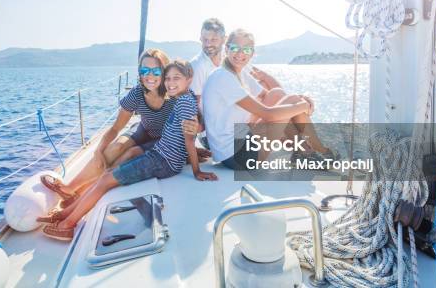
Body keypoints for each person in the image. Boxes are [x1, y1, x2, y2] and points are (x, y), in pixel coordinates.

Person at [42, 60, 218, 240]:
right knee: (108, 174)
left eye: (176, 78)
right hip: (159, 154)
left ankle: (68, 225)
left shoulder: (185, 103)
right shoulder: (183, 97)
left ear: (189, 79)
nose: (170, 83)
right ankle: (67, 213)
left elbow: (189, 139)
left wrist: (197, 171)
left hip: (163, 162)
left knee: (106, 181)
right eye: (167, 78)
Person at [38, 49, 201, 206]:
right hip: (143, 131)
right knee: (117, 147)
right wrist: (98, 150)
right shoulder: (137, 94)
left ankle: (89, 190)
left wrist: (195, 132)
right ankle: (70, 188)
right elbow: (116, 128)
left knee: (130, 155)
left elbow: (199, 122)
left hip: (163, 141)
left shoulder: (175, 91)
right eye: (145, 70)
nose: (150, 76)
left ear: (164, 72)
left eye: (156, 71)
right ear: (139, 72)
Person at [202, 28, 333, 170]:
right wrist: (303, 106)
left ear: (251, 53)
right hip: (237, 156)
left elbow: (273, 95)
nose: (240, 53)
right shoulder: (223, 77)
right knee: (291, 103)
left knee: (278, 94)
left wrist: (299, 100)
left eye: (246, 50)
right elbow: (268, 113)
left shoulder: (239, 72)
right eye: (235, 48)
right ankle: (316, 151)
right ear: (226, 49)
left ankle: (304, 151)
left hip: (237, 142)